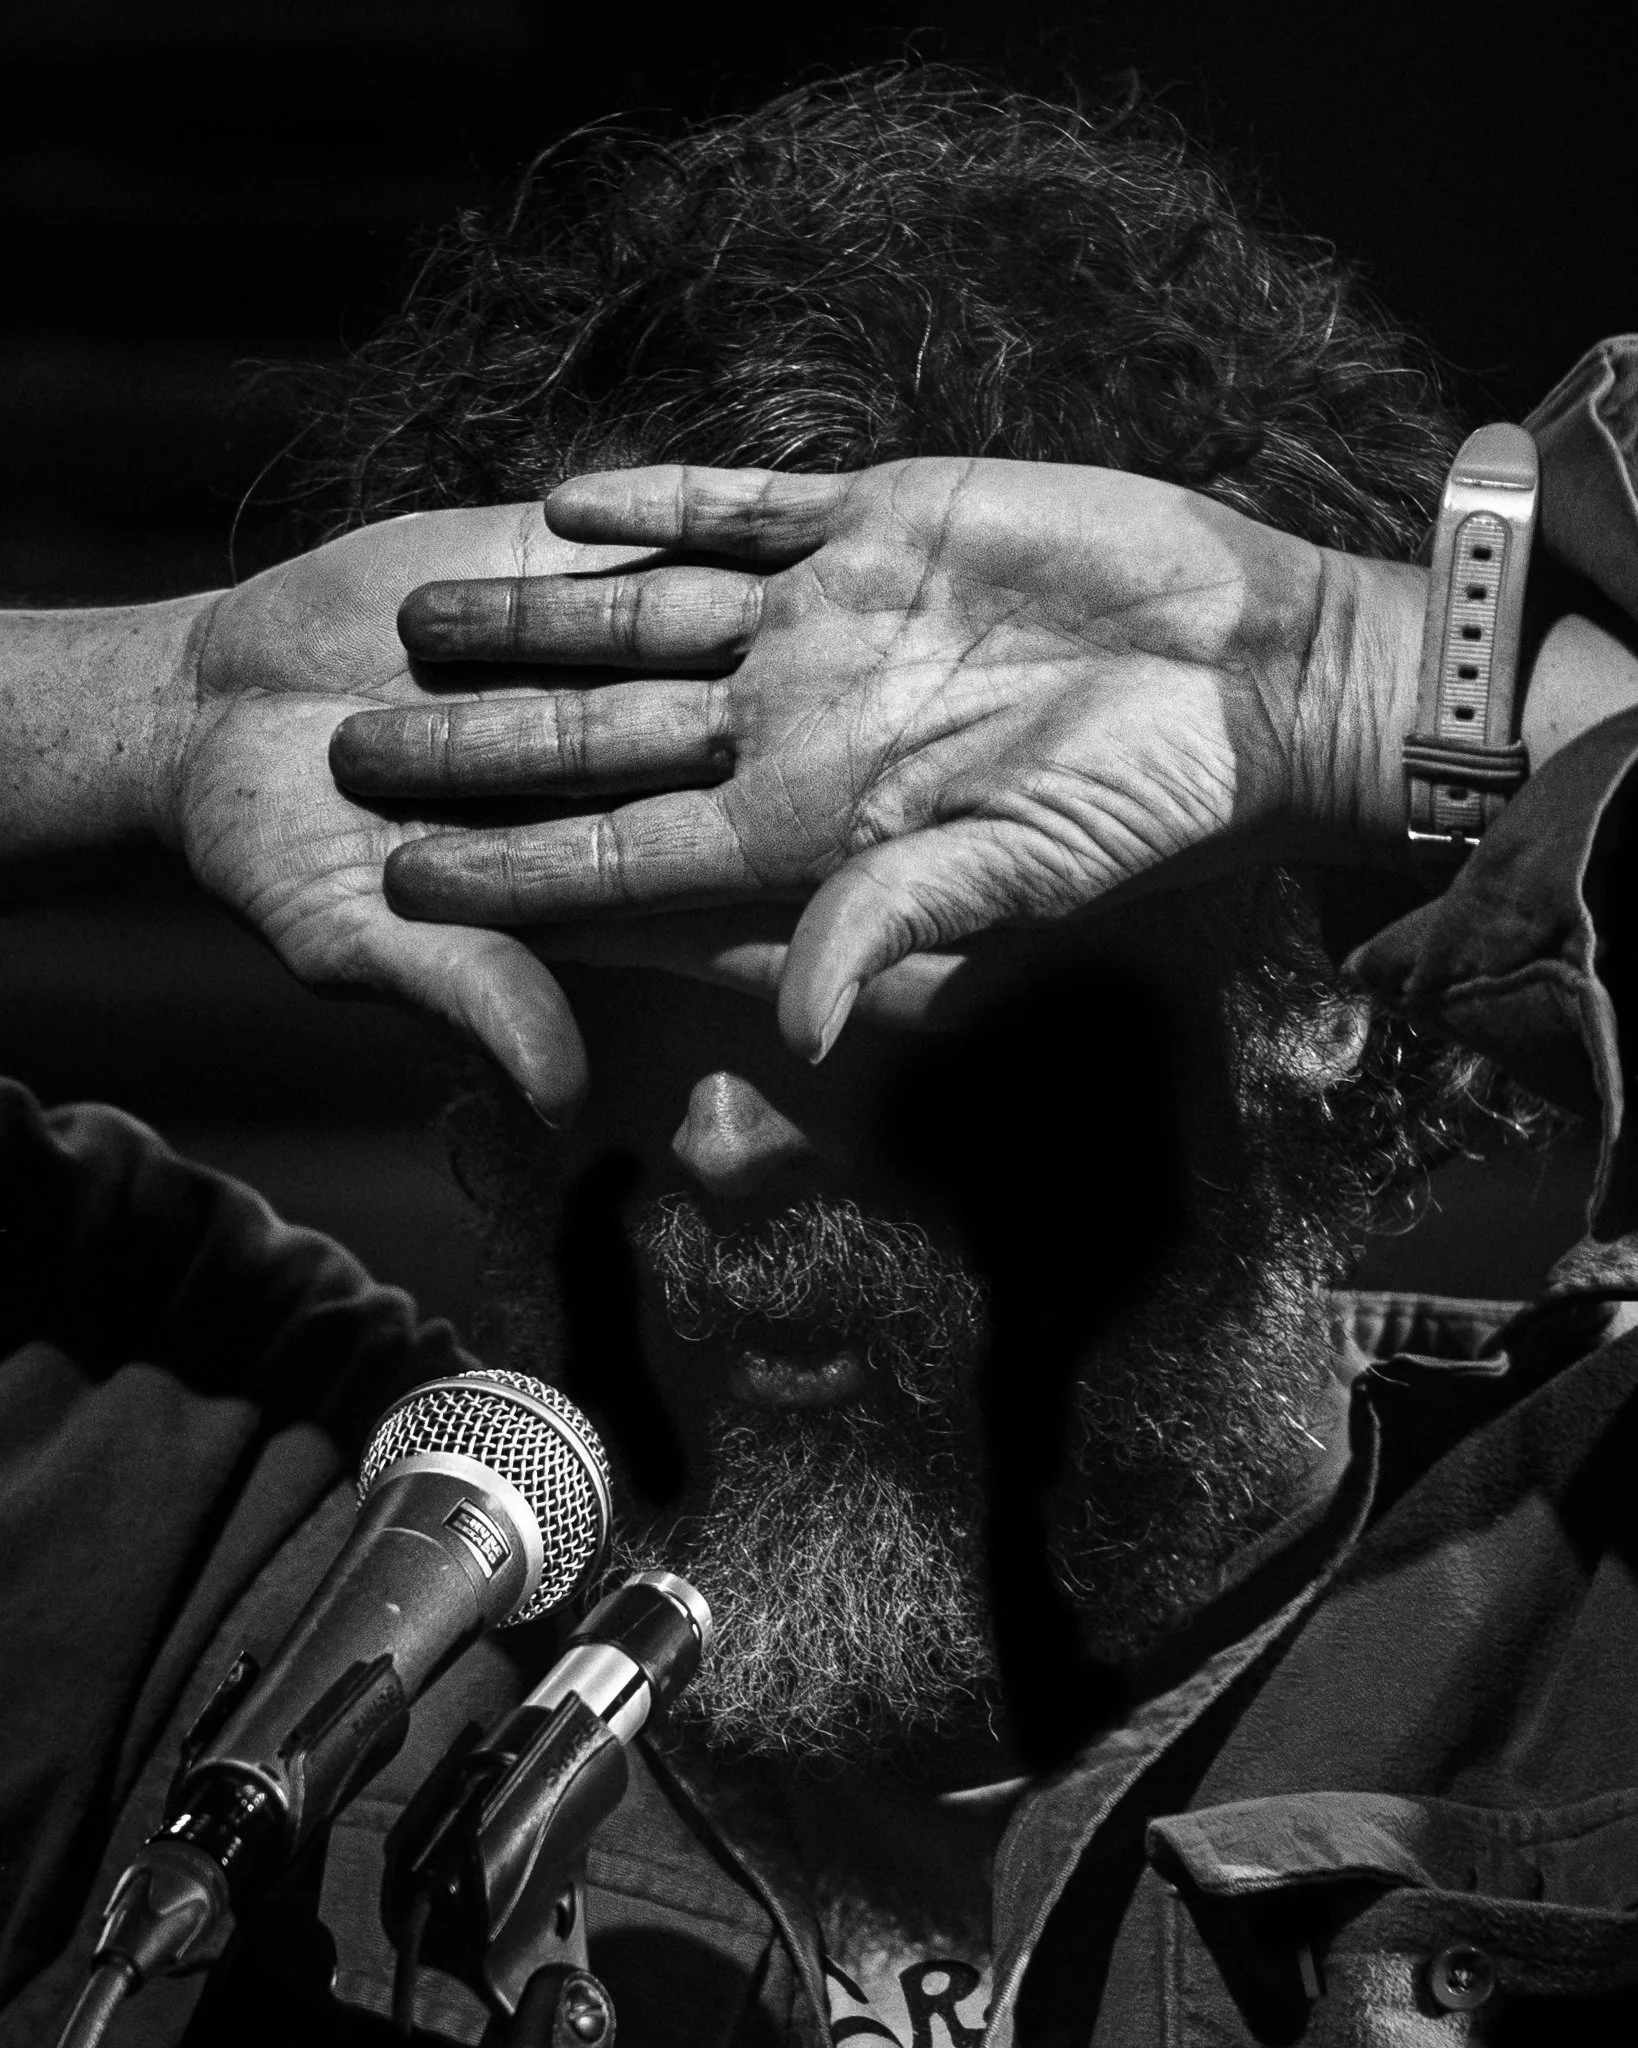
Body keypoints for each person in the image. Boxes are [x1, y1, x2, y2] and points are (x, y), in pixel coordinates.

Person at [6, 65, 1638, 2048]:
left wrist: (1358, 681)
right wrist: (162, 702)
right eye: (612, 979)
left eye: (898, 958)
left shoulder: (1586, 1598)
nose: (713, 1132)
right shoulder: (277, 1580)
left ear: (1322, 995)